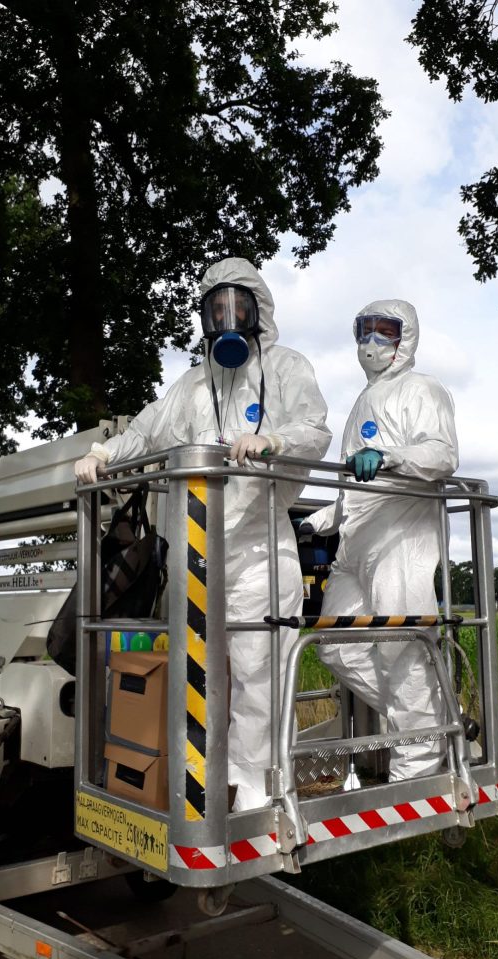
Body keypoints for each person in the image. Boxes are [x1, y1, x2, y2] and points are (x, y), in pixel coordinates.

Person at [75, 257, 331, 810]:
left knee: (260, 672)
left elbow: (314, 429)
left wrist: (276, 441)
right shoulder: (194, 384)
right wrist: (102, 454)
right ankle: (205, 782)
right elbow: (146, 431)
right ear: (205, 317)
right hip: (197, 552)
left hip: (261, 547)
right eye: (217, 308)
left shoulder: (286, 368)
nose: (228, 317)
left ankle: (257, 787)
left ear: (258, 309)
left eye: (238, 305)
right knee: (202, 673)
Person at [301, 299, 458, 781]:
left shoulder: (422, 389)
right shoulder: (362, 402)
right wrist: (320, 520)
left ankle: (415, 771)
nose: (372, 342)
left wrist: (386, 455)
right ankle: (431, 725)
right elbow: (356, 488)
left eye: (384, 331)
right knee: (335, 645)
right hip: (356, 543)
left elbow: (441, 455)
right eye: (364, 331)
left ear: (405, 337)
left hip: (400, 538)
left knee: (399, 649)